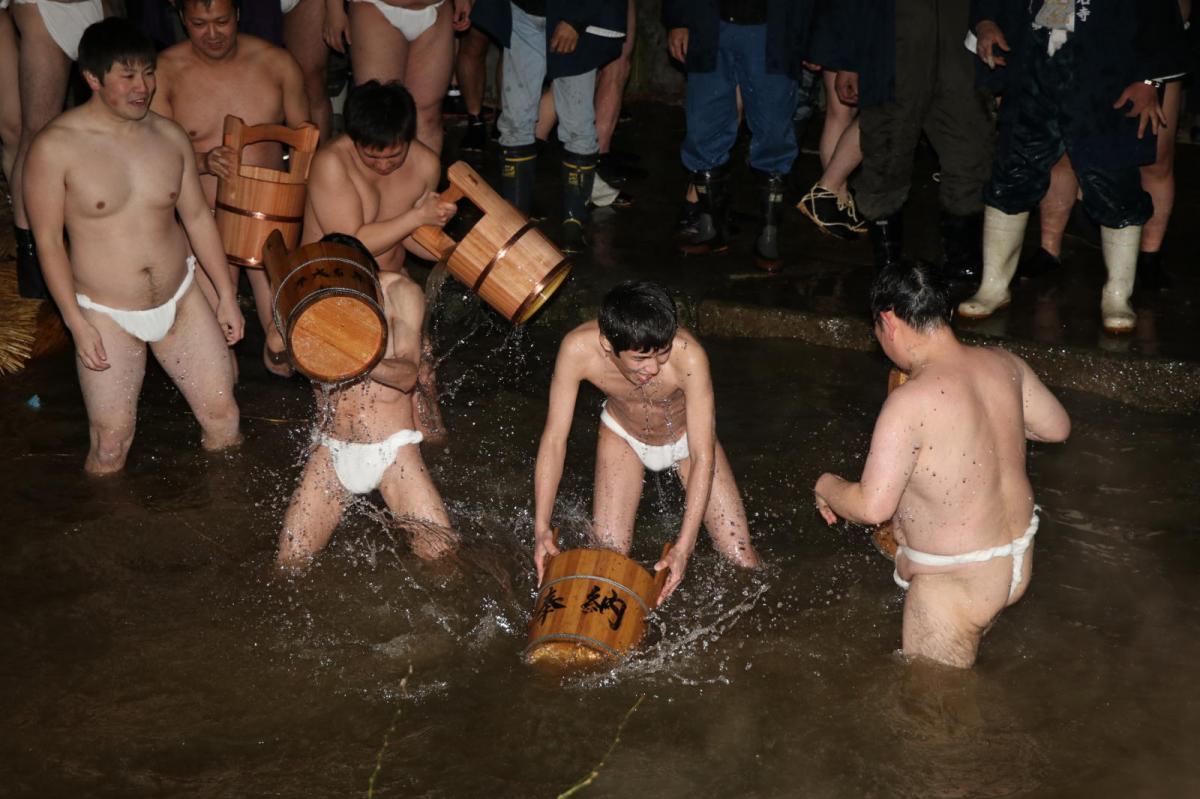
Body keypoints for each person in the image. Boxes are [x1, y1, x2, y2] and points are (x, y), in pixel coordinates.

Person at [814, 261, 1070, 668]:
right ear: (946, 313)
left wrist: (826, 485)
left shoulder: (909, 402)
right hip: (1015, 562)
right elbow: (1057, 427)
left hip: (954, 583)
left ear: (887, 320)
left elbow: (872, 507)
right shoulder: (1005, 364)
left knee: (930, 716)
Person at [24, 18, 244, 475]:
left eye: (147, 72)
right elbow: (48, 242)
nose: (142, 86)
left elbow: (198, 218)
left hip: (180, 297)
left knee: (224, 420)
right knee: (111, 445)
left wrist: (225, 295)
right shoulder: (54, 148)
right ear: (92, 78)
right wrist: (75, 322)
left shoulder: (169, 137)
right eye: (127, 76)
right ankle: (106, 536)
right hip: (104, 311)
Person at [960, 0, 1189, 333]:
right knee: (1012, 173)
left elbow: (1159, 18)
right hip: (1033, 71)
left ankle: (1117, 294)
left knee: (1114, 180)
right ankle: (993, 285)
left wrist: (1150, 82)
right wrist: (985, 24)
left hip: (1107, 80)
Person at [532, 281, 761, 605]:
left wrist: (684, 546)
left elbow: (702, 455)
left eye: (661, 353)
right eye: (640, 358)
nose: (653, 368)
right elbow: (554, 439)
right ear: (608, 345)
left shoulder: (689, 357)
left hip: (687, 441)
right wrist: (541, 526)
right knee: (608, 561)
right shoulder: (578, 350)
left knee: (743, 562)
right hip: (622, 436)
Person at [276, 232, 458, 567]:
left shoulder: (401, 293)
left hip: (393, 450)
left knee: (443, 560)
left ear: (372, 279)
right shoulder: (308, 296)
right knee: (289, 565)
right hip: (331, 448)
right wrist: (288, 337)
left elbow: (406, 376)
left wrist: (351, 352)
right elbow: (274, 360)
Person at [151, 0, 310, 377]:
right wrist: (203, 161)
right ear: (182, 20)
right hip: (202, 217)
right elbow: (152, 149)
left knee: (286, 354)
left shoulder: (277, 64)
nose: (212, 34)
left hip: (269, 217)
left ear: (238, 14)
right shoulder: (164, 71)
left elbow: (307, 145)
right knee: (214, 358)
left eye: (221, 21)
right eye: (199, 24)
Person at [302, 79, 457, 439]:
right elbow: (354, 243)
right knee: (346, 413)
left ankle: (436, 456)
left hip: (391, 281)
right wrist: (418, 216)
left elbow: (409, 237)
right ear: (354, 140)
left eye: (394, 155)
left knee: (424, 381)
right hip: (330, 285)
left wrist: (451, 249)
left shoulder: (425, 163)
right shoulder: (331, 163)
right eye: (372, 156)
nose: (384, 164)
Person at [831, 0, 993, 280]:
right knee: (886, 147)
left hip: (959, 51)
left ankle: (963, 263)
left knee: (969, 149)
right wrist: (850, 61)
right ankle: (888, 264)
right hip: (895, 49)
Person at [664, 0, 812, 272]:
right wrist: (678, 18)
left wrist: (814, 36)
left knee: (774, 133)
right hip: (710, 24)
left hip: (774, 29)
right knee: (703, 127)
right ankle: (709, 225)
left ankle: (769, 235)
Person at [471, 0, 627, 252]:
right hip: (520, 11)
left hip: (572, 15)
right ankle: (515, 221)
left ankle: (574, 224)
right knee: (514, 120)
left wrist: (577, 17)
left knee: (577, 122)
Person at [10, 0, 109, 298]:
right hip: (43, 6)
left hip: (88, 4)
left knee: (105, 122)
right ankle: (34, 260)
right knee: (37, 132)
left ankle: (96, 239)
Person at [329, 0, 473, 154]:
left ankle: (424, 178)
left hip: (437, 8)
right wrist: (334, 10)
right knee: (378, 111)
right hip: (375, 8)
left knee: (427, 115)